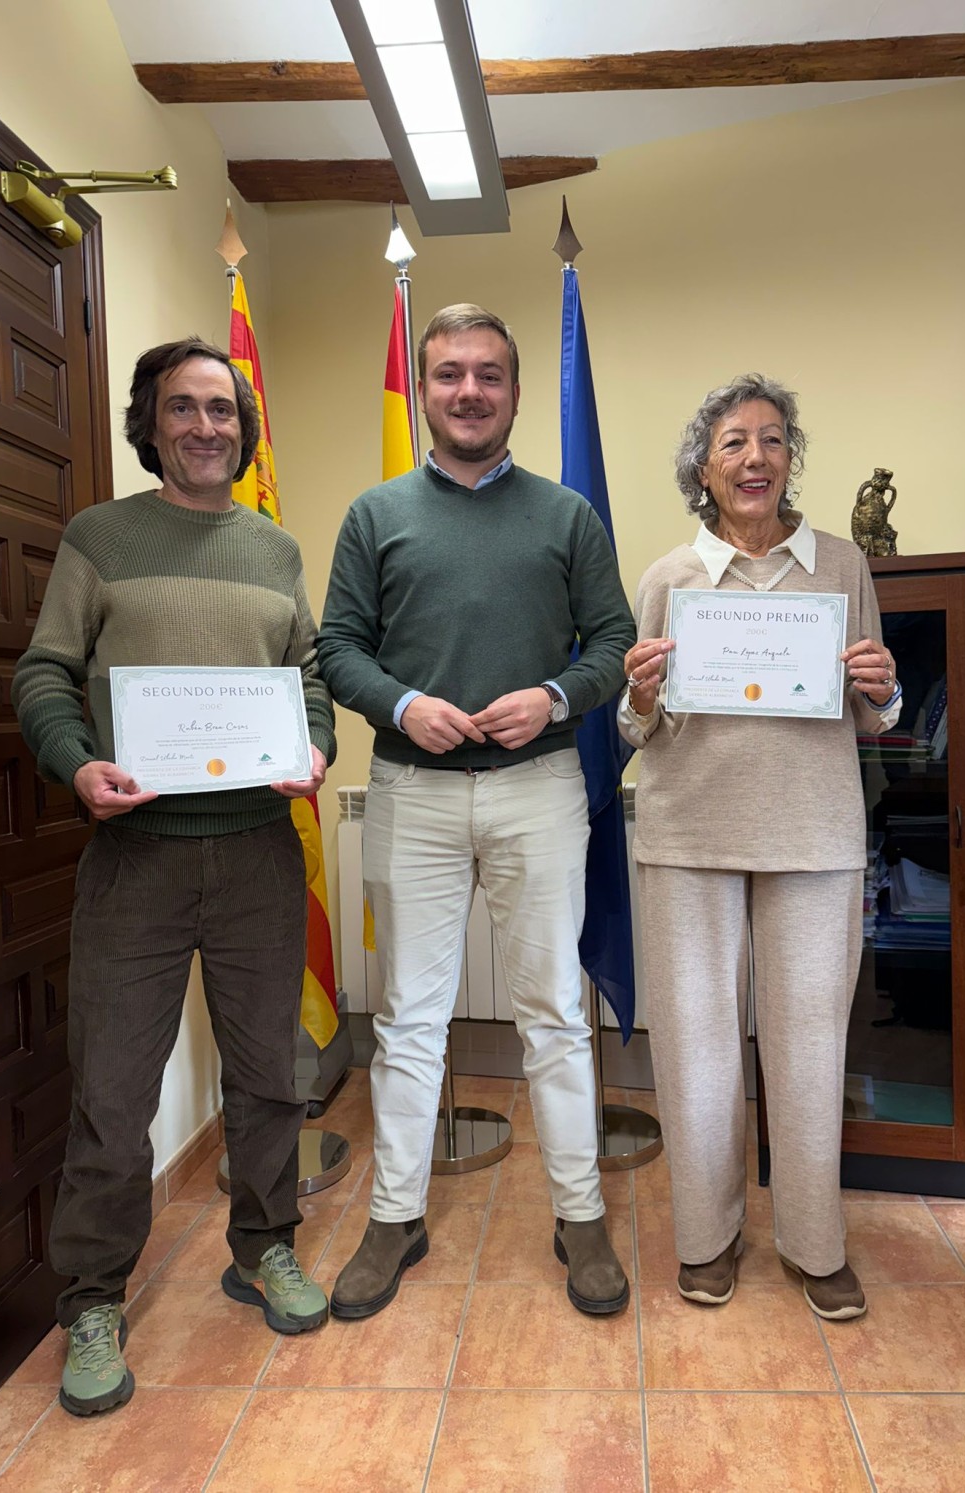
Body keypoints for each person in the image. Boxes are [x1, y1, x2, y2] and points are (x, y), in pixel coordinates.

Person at [13, 337, 336, 1417]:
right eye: (185, 408)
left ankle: (266, 1246)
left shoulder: (278, 549)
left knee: (267, 1075)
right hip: (134, 857)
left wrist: (317, 745)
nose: (209, 425)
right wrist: (75, 761)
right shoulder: (97, 537)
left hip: (255, 851)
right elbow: (47, 671)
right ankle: (93, 1296)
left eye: (225, 408)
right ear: (149, 423)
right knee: (112, 1089)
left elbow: (308, 677)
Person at [317, 303, 635, 1319]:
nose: (468, 390)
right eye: (448, 372)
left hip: (539, 787)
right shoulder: (375, 514)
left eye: (487, 374)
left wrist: (552, 696)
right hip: (410, 789)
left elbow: (615, 641)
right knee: (409, 1015)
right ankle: (394, 1217)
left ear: (510, 389)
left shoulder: (566, 515)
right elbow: (338, 649)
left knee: (552, 1014)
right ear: (424, 386)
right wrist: (404, 703)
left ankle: (579, 1216)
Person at [620, 373, 901, 1320]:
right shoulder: (667, 576)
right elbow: (638, 728)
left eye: (773, 440)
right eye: (734, 441)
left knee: (809, 1045)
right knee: (698, 1048)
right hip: (687, 832)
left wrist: (885, 686)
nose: (755, 457)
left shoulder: (841, 568)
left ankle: (815, 1245)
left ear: (791, 459)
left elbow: (870, 721)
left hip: (816, 835)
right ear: (705, 465)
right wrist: (643, 696)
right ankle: (706, 1240)